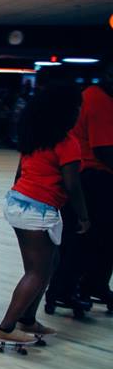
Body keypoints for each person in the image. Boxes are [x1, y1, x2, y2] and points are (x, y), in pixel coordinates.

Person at [0, 84, 88, 347]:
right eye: (76, 108)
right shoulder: (67, 142)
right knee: (37, 271)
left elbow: (19, 174)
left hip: (19, 202)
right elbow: (72, 184)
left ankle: (28, 320)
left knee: (49, 264)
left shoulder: (33, 137)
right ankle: (6, 327)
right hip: (37, 208)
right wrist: (83, 216)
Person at [48, 59, 113, 313]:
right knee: (86, 238)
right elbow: (104, 150)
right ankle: (66, 289)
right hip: (94, 178)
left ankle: (89, 285)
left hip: (88, 177)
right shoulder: (98, 101)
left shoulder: (95, 97)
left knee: (98, 239)